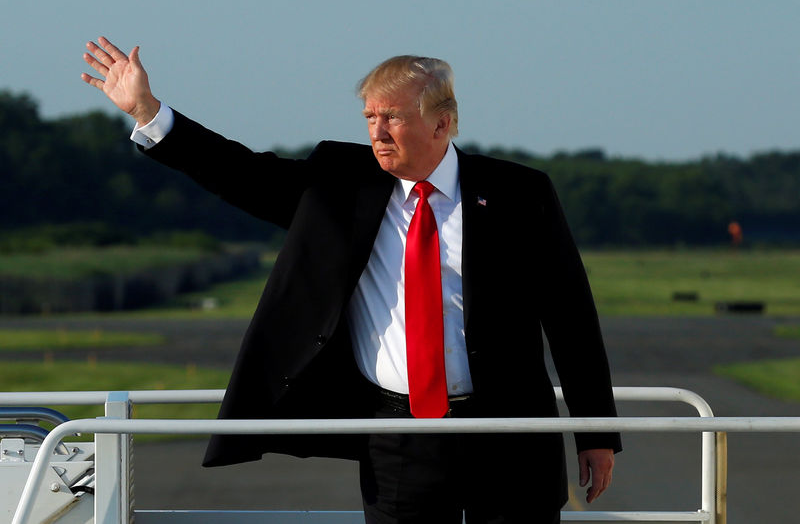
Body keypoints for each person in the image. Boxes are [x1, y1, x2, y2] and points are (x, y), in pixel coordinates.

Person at [82, 36, 621, 523]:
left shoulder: (519, 193)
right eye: (369, 117)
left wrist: (596, 433)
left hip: (507, 432)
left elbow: (571, 316)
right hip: (398, 438)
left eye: (392, 117)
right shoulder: (341, 182)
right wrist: (150, 114)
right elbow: (244, 174)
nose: (377, 133)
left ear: (443, 122)